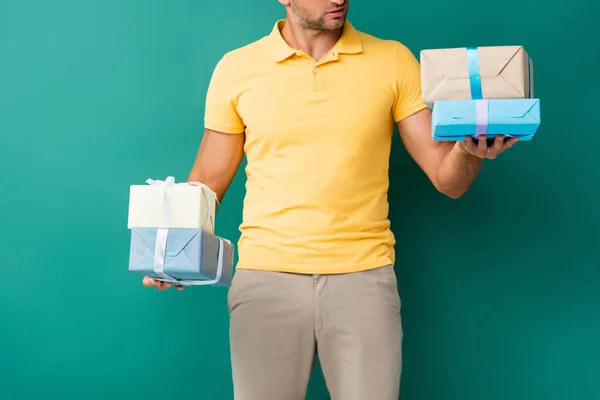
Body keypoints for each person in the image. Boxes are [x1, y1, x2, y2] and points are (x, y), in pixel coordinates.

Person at [142, 0, 518, 398]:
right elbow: (208, 179)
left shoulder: (392, 60)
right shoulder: (237, 68)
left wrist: (467, 151)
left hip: (364, 280)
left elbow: (449, 180)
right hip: (266, 280)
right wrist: (169, 259)